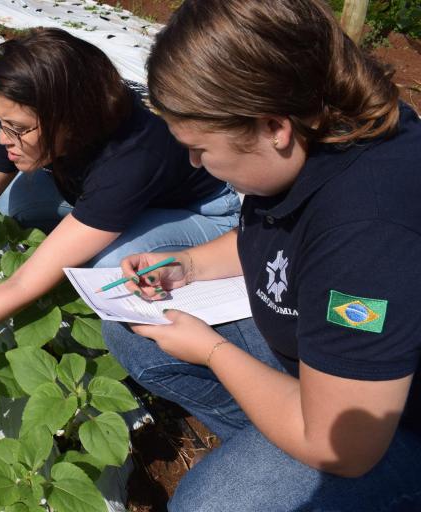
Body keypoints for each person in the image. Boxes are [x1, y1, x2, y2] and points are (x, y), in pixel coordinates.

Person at [101, 1, 421, 510]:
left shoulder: (369, 229)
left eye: (201, 147)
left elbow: (344, 446)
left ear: (274, 126)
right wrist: (189, 265)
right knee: (133, 331)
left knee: (209, 505)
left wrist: (211, 350)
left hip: (385, 425)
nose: (193, 162)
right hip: (326, 365)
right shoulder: (314, 136)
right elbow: (282, 238)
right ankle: (271, 447)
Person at [0, 27, 239, 357]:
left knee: (111, 265)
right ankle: (94, 225)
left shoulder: (130, 158)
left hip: (204, 212)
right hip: (116, 192)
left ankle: (101, 233)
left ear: (72, 120)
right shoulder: (27, 123)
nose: (5, 138)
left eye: (19, 128)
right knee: (12, 202)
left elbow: (23, 283)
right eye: (0, 120)